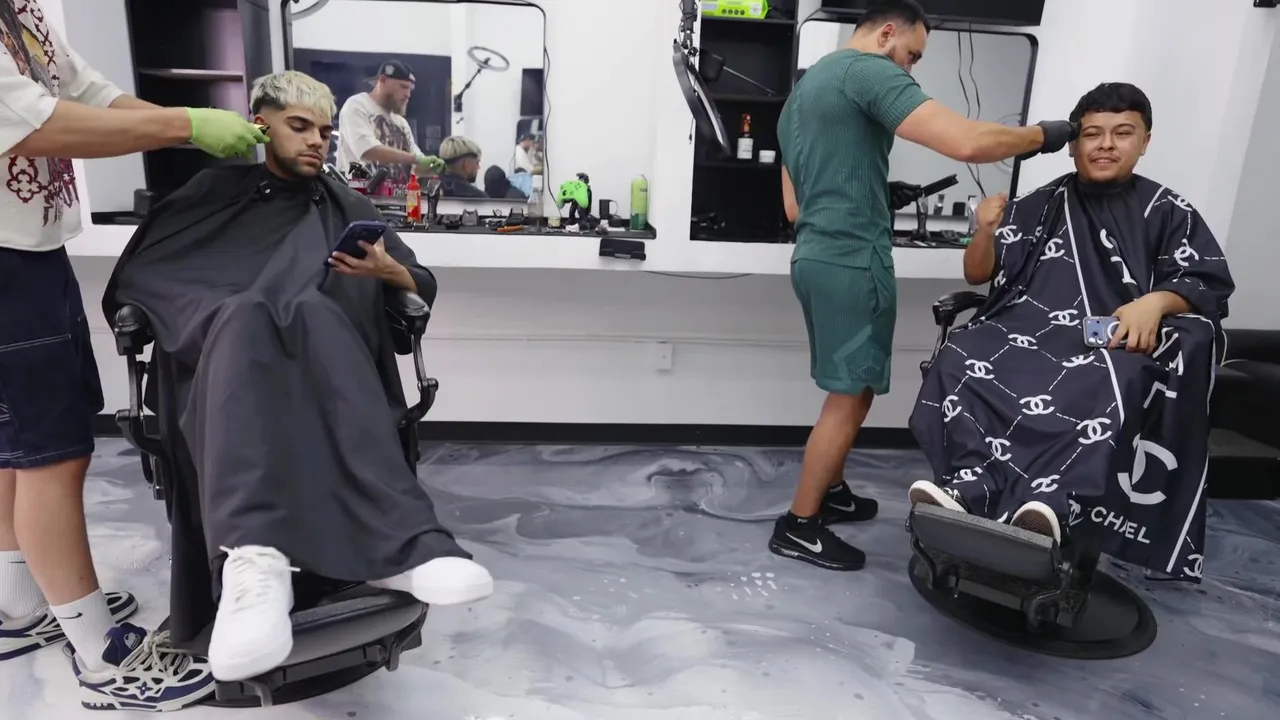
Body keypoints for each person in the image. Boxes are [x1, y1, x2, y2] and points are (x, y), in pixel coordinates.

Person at [102, 70, 494, 684]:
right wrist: (239, 307)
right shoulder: (211, 194)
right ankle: (252, 564)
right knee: (248, 317)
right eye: (300, 126)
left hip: (324, 352)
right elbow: (141, 280)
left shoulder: (347, 205)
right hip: (222, 358)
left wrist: (389, 272)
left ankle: (405, 546)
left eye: (326, 131)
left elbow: (417, 282)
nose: (317, 140)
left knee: (311, 313)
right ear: (260, 125)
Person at [0, 0, 265, 710]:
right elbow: (38, 123)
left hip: (29, 242)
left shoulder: (20, 9)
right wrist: (187, 125)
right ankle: (103, 657)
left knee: (13, 445)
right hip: (3, 260)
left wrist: (188, 126)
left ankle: (19, 603)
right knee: (51, 453)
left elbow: (85, 90)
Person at [772, 0, 1079, 571]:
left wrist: (867, 191)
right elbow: (968, 143)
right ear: (887, 33)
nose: (910, 68)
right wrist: (1045, 135)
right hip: (852, 261)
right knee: (848, 396)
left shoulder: (799, 97)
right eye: (912, 55)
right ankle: (799, 525)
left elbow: (795, 207)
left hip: (814, 256)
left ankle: (830, 491)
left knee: (856, 386)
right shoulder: (867, 70)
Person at [908, 83, 1234, 582]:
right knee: (961, 352)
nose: (1105, 144)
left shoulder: (1167, 210)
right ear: (1073, 144)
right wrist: (985, 230)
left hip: (1115, 340)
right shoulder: (1040, 204)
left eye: (1122, 133)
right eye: (1092, 134)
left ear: (1145, 142)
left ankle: (1049, 505)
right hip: (1028, 328)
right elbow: (978, 273)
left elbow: (1206, 281)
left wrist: (1156, 302)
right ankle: (967, 489)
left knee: (1107, 377)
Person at [335, 59, 443, 183]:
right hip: (357, 192)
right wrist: (416, 159)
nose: (408, 94)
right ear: (383, 80)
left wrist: (435, 166)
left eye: (410, 89)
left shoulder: (401, 123)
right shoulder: (357, 105)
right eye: (403, 87)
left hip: (396, 194)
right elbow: (368, 150)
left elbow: (416, 168)